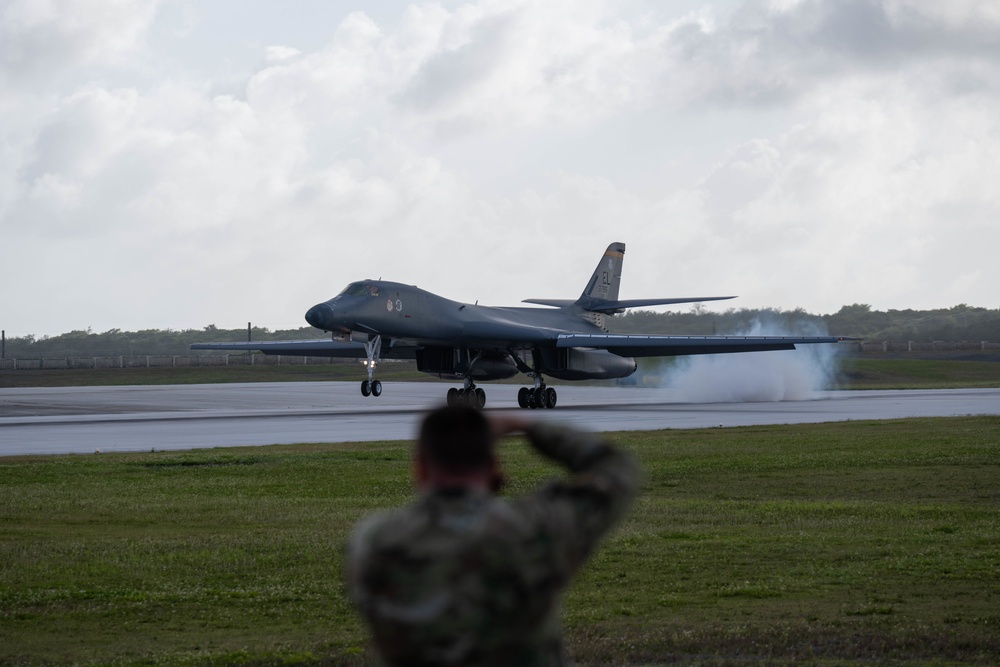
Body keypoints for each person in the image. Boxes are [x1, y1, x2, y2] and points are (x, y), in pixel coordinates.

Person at [346, 405, 639, 666]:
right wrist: (527, 426)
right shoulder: (530, 530)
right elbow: (617, 470)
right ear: (493, 467)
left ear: (419, 468)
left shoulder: (374, 543)